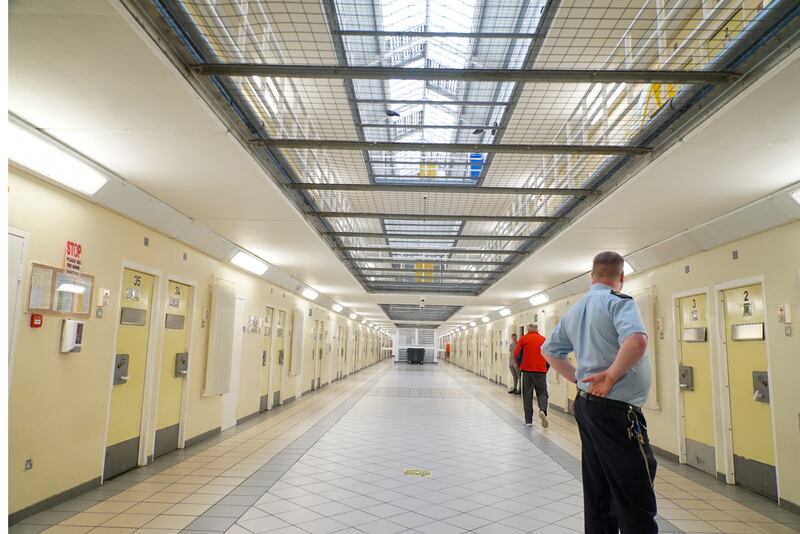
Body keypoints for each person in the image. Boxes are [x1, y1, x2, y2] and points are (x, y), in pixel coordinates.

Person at [541, 251, 656, 534]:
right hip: (617, 412)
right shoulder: (618, 302)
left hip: (588, 407)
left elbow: (549, 351)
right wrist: (611, 375)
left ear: (592, 276)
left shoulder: (575, 310)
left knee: (599, 488)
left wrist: (579, 380)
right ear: (621, 278)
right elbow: (637, 342)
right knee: (634, 490)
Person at [513, 324, 549, 428]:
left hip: (527, 371)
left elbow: (516, 354)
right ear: (537, 329)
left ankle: (528, 421)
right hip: (541, 371)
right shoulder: (543, 340)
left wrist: (521, 366)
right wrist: (545, 368)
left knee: (527, 395)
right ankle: (542, 410)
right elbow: (549, 355)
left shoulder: (524, 339)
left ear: (528, 329)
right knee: (542, 392)